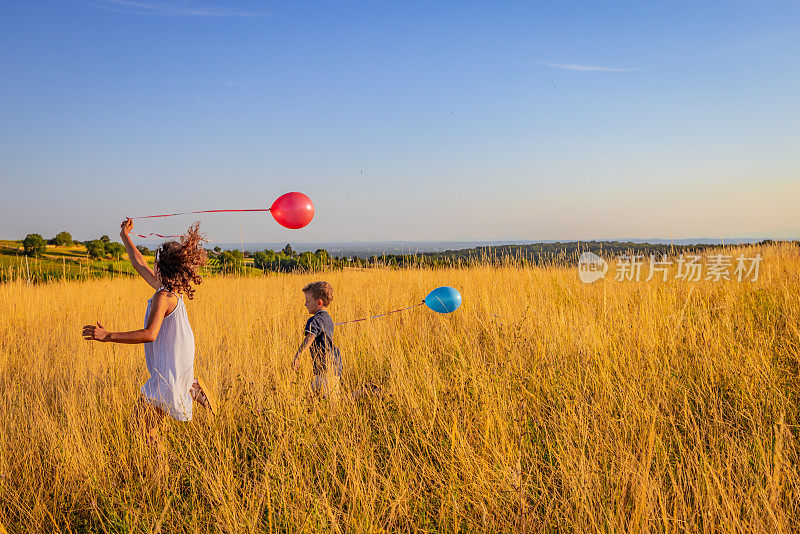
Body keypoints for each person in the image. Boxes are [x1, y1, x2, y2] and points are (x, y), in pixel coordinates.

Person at [82, 218, 215, 442]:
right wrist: (125, 236)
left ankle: (159, 473)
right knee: (146, 425)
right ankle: (197, 393)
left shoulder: (162, 296)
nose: (151, 264)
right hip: (175, 364)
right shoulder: (171, 289)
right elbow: (139, 264)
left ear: (161, 265)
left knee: (143, 428)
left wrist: (107, 336)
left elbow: (149, 334)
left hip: (167, 374)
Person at [291, 281, 341, 399]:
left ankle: (366, 391)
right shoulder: (327, 318)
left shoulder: (315, 320)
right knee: (310, 397)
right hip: (327, 367)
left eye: (307, 302)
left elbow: (310, 337)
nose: (305, 304)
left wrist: (298, 356)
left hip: (327, 368)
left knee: (334, 403)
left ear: (318, 303)